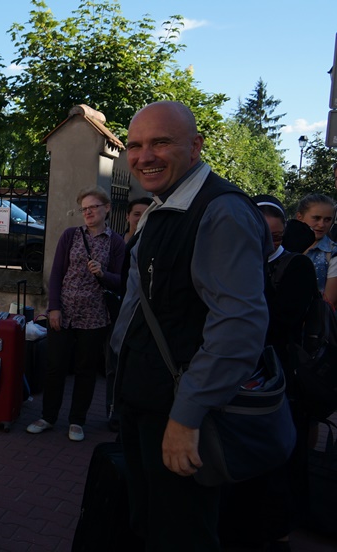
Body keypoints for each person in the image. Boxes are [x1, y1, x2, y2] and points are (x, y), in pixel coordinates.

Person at [110, 101, 271, 551]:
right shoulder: (166, 206)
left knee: (181, 535)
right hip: (149, 406)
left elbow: (238, 326)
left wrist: (186, 415)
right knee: (153, 527)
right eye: (135, 145)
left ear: (196, 146)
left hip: (180, 415)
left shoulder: (220, 211)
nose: (145, 156)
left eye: (160, 142)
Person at [216, 194, 317, 552]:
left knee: (276, 467)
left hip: (277, 382)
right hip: (235, 379)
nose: (264, 244)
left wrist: (248, 273)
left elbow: (277, 323)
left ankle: (277, 535)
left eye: (273, 238)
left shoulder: (297, 267)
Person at [26, 188, 124, 442]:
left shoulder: (115, 242)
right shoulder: (70, 235)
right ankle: (48, 416)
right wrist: (54, 308)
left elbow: (120, 282)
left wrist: (103, 273)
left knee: (85, 369)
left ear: (107, 208)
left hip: (95, 317)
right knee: (55, 366)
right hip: (65, 313)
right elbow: (57, 273)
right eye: (84, 208)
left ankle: (77, 420)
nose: (88, 212)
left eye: (93, 207)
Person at [294, 193, 337, 305]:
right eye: (316, 218)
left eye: (327, 220)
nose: (321, 224)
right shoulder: (282, 246)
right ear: (299, 217)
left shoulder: (333, 253)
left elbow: (328, 302)